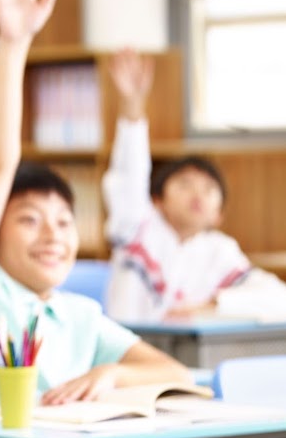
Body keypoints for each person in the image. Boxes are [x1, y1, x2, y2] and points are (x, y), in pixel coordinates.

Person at [0, 0, 190, 412]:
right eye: (30, 220)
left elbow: (175, 374)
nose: (53, 235)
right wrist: (14, 45)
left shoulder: (78, 315)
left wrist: (111, 372)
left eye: (64, 222)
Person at [102, 49, 286, 322]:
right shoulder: (137, 226)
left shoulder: (219, 250)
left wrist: (214, 304)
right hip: (128, 354)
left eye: (210, 190)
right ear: (158, 200)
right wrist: (132, 107)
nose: (198, 194)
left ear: (218, 214)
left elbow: (279, 300)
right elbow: (129, 173)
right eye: (185, 184)